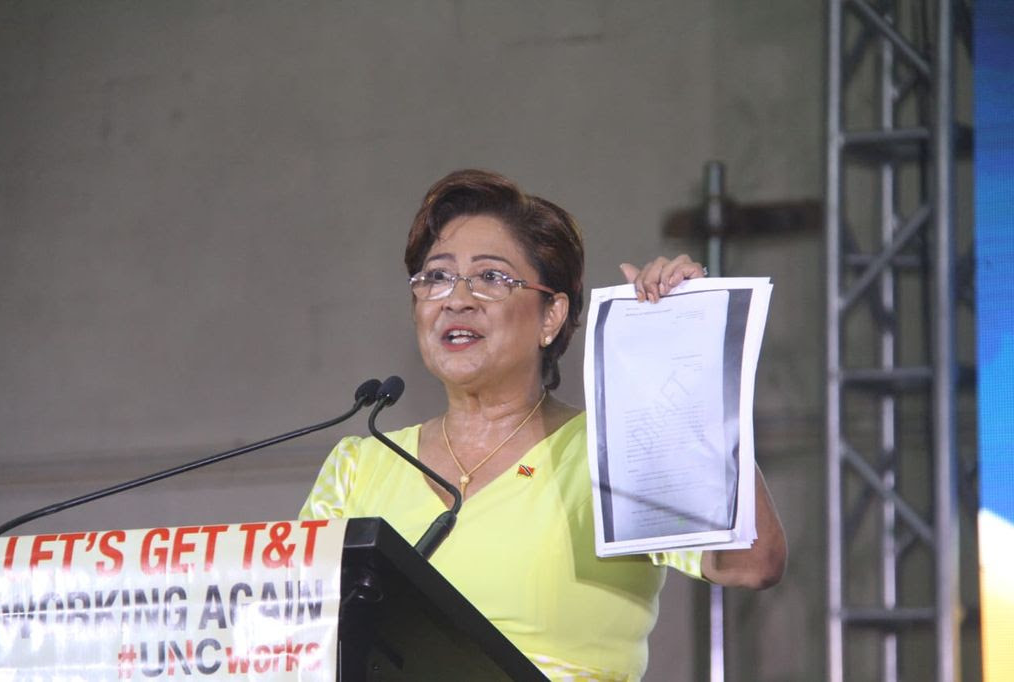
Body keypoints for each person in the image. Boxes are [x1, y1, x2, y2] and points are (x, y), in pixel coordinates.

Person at [300, 169, 787, 681]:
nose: (456, 298)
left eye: (491, 278)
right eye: (437, 277)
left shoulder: (615, 448)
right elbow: (290, 635)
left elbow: (752, 564)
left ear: (552, 315)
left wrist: (691, 359)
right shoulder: (361, 463)